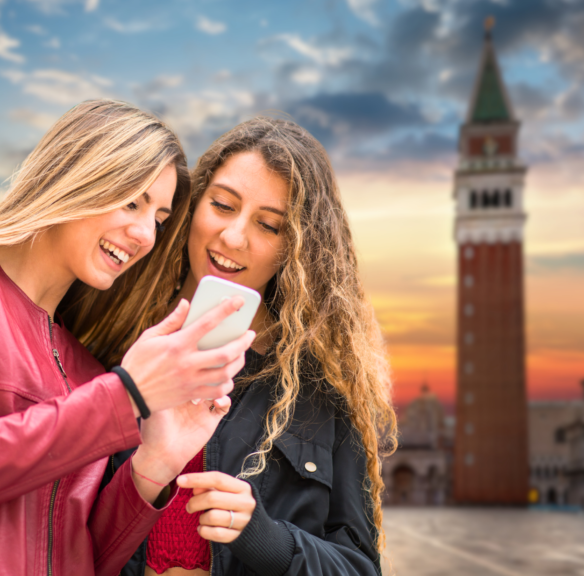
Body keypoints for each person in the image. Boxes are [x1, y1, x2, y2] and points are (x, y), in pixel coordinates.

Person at [0, 99, 255, 576]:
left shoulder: (85, 366)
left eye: (159, 218)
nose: (145, 234)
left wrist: (155, 462)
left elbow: (84, 558)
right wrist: (127, 393)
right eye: (132, 200)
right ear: (77, 176)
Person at [67, 117, 399, 576]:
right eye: (222, 205)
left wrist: (270, 540)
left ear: (296, 249)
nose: (234, 236)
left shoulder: (320, 394)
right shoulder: (104, 343)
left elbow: (360, 568)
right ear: (192, 205)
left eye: (268, 225)